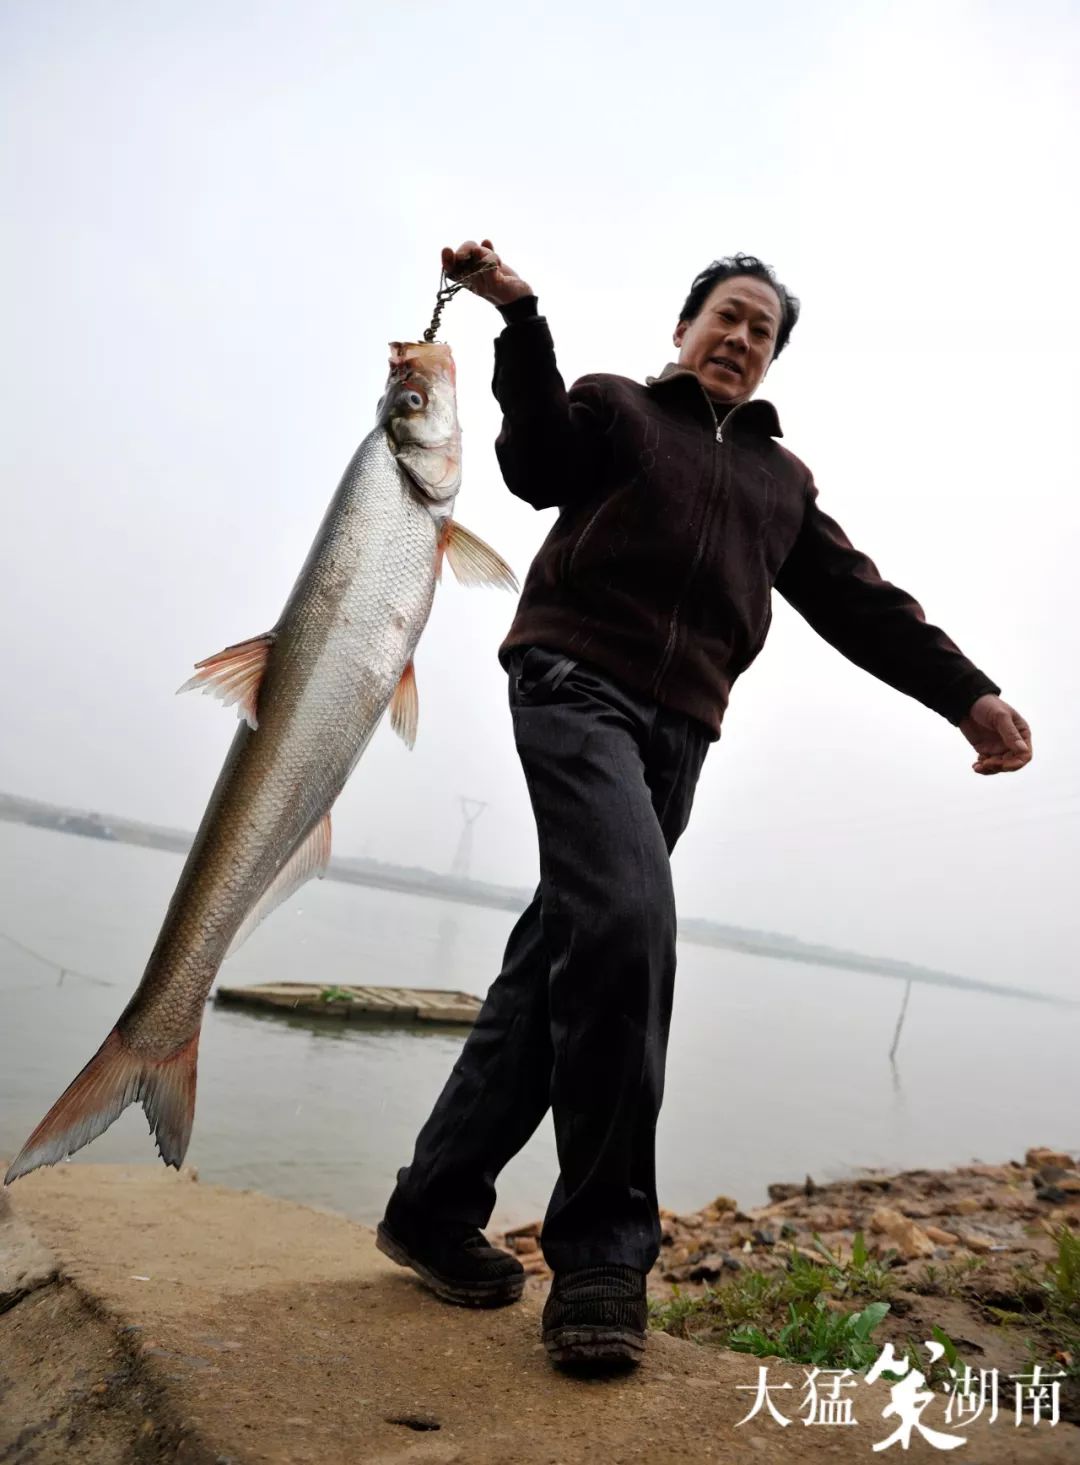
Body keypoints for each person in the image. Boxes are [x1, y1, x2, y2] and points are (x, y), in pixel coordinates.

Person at [377, 241, 1033, 1372]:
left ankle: (432, 1208)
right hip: (574, 686)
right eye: (725, 318)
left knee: (560, 961)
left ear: (773, 359)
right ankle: (601, 1258)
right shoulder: (618, 410)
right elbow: (534, 466)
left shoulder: (783, 484)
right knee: (630, 928)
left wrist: (968, 694)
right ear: (685, 329)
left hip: (681, 735)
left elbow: (863, 604)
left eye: (761, 331)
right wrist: (521, 319)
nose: (739, 339)